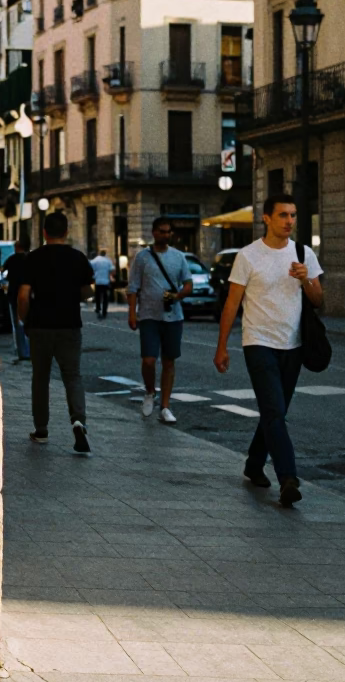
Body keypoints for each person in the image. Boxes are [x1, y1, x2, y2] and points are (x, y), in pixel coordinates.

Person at [214, 194, 323, 508]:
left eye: (293, 215)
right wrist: (222, 347)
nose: (289, 221)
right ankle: (288, 477)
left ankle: (253, 464)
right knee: (274, 411)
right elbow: (232, 304)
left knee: (275, 411)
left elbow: (319, 300)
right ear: (266, 218)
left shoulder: (303, 253)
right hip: (258, 342)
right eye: (283, 215)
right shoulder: (248, 256)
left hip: (294, 345)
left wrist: (306, 281)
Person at [18, 212, 95, 453]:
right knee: (72, 376)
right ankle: (78, 420)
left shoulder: (33, 258)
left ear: (44, 232)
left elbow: (23, 295)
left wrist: (24, 320)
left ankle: (41, 429)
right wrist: (72, 295)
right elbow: (88, 291)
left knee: (40, 378)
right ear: (66, 232)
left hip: (40, 325)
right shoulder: (78, 258)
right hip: (70, 325)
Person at [127, 217, 192, 424]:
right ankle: (149, 391)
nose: (165, 235)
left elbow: (188, 283)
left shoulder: (179, 257)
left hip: (173, 317)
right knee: (148, 360)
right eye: (162, 231)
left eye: (168, 232)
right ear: (154, 232)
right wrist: (131, 312)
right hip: (148, 316)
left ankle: (165, 406)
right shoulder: (142, 257)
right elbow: (133, 287)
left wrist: (177, 296)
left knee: (169, 361)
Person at [3, 239, 31, 362]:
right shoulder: (31, 259)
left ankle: (23, 352)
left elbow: (1, 271)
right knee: (30, 322)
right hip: (30, 295)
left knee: (17, 324)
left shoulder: (12, 259)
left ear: (17, 247)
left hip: (14, 294)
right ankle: (32, 350)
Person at [91, 249, 115, 319]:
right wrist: (111, 276)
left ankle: (98, 308)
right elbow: (112, 269)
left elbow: (90, 267)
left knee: (97, 295)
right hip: (105, 281)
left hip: (98, 281)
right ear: (105, 254)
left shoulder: (95, 260)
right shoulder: (108, 260)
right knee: (105, 297)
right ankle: (104, 311)